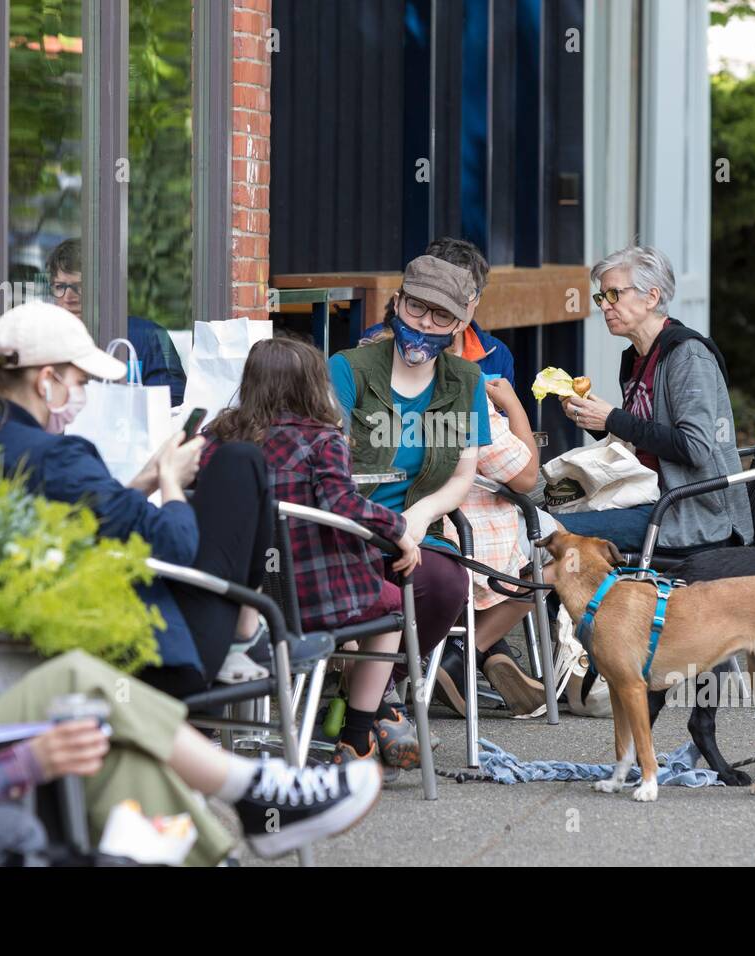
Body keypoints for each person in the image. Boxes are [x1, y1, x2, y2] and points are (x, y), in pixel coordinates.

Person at [0, 454, 381, 865]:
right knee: (79, 685)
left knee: (107, 743)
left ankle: (246, 810)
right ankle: (253, 792)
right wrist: (27, 760)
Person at [0, 301, 309, 699]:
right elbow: (177, 545)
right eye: (78, 382)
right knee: (240, 460)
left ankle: (246, 636)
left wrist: (145, 480)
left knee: (233, 465)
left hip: (51, 632)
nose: (82, 394)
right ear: (46, 381)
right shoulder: (57, 456)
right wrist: (171, 482)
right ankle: (245, 635)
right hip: (156, 653)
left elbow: (91, 523)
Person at [198, 336, 431, 774]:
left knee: (372, 598)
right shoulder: (323, 439)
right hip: (316, 597)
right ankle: (358, 736)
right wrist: (398, 530)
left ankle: (370, 719)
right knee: (391, 606)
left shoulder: (217, 437)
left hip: (238, 601)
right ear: (312, 385)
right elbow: (343, 505)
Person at [328, 255, 488, 672]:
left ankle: (374, 688)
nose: (424, 324)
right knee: (364, 578)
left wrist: (420, 515)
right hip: (352, 526)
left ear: (458, 325)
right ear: (397, 303)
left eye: (441, 315)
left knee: (445, 585)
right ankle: (375, 707)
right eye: (416, 307)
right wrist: (386, 527)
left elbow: (462, 475)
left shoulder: (466, 381)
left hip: (419, 532)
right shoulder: (348, 369)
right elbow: (329, 467)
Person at [557, 245, 752, 555]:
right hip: (640, 497)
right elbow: (643, 440)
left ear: (651, 297)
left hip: (683, 514)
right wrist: (593, 418)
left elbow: (695, 448)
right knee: (542, 508)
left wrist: (612, 418)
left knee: (546, 530)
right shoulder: (638, 357)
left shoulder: (687, 354)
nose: (605, 306)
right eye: (601, 297)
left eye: (614, 295)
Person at [432, 375, 557, 717]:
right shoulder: (462, 387)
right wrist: (513, 403)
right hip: (463, 532)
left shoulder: (362, 381)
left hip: (404, 528)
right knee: (566, 554)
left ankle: (489, 651)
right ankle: (466, 650)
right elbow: (527, 477)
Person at [46, 238, 188, 405]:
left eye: (80, 286)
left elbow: (172, 404)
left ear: (103, 288)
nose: (68, 298)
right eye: (60, 287)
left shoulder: (148, 337)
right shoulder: (44, 342)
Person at [361, 237, 516, 387]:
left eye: (468, 291)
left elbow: (501, 414)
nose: (457, 301)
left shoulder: (497, 353)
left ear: (478, 298)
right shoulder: (378, 341)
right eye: (445, 290)